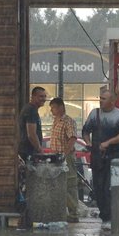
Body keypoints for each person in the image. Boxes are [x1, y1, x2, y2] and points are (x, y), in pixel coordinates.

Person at [81, 88, 119, 231]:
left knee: (109, 188)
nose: (100, 101)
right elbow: (85, 131)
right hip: (97, 157)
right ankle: (104, 216)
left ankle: (111, 217)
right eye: (100, 98)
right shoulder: (94, 113)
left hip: (114, 157)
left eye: (104, 99)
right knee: (98, 189)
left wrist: (109, 142)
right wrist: (88, 143)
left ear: (112, 101)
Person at [16, 86, 47, 228]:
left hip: (26, 151)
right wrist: (39, 149)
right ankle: (26, 218)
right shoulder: (31, 111)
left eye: (44, 96)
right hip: (27, 152)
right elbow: (31, 133)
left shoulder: (30, 110)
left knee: (26, 185)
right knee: (27, 185)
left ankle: (26, 217)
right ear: (33, 97)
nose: (43, 99)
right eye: (40, 96)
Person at [49, 97, 80, 223]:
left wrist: (65, 154)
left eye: (53, 108)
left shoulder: (68, 121)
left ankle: (74, 214)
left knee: (69, 184)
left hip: (65, 156)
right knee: (58, 185)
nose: (51, 111)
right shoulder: (56, 121)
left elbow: (72, 139)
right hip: (56, 156)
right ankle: (61, 211)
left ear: (61, 107)